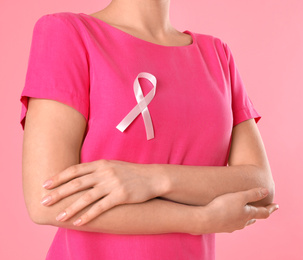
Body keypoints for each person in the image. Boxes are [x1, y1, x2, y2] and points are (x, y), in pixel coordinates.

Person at [20, 0, 278, 259]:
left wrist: (154, 180)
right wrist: (198, 219)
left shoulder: (217, 55)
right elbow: (48, 201)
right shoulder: (68, 33)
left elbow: (260, 187)